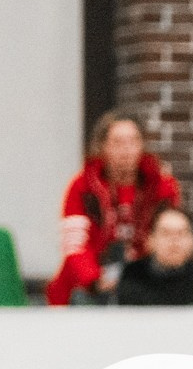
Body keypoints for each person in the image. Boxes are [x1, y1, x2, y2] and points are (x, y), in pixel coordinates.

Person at [47, 111, 182, 306]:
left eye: (133, 141)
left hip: (145, 284)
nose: (126, 150)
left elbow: (168, 235)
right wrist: (95, 280)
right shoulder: (83, 187)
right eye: (118, 143)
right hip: (87, 288)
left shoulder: (162, 187)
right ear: (102, 147)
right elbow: (74, 244)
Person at [110, 206, 193, 306]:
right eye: (166, 233)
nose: (174, 240)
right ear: (150, 240)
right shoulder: (132, 278)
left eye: (181, 233)